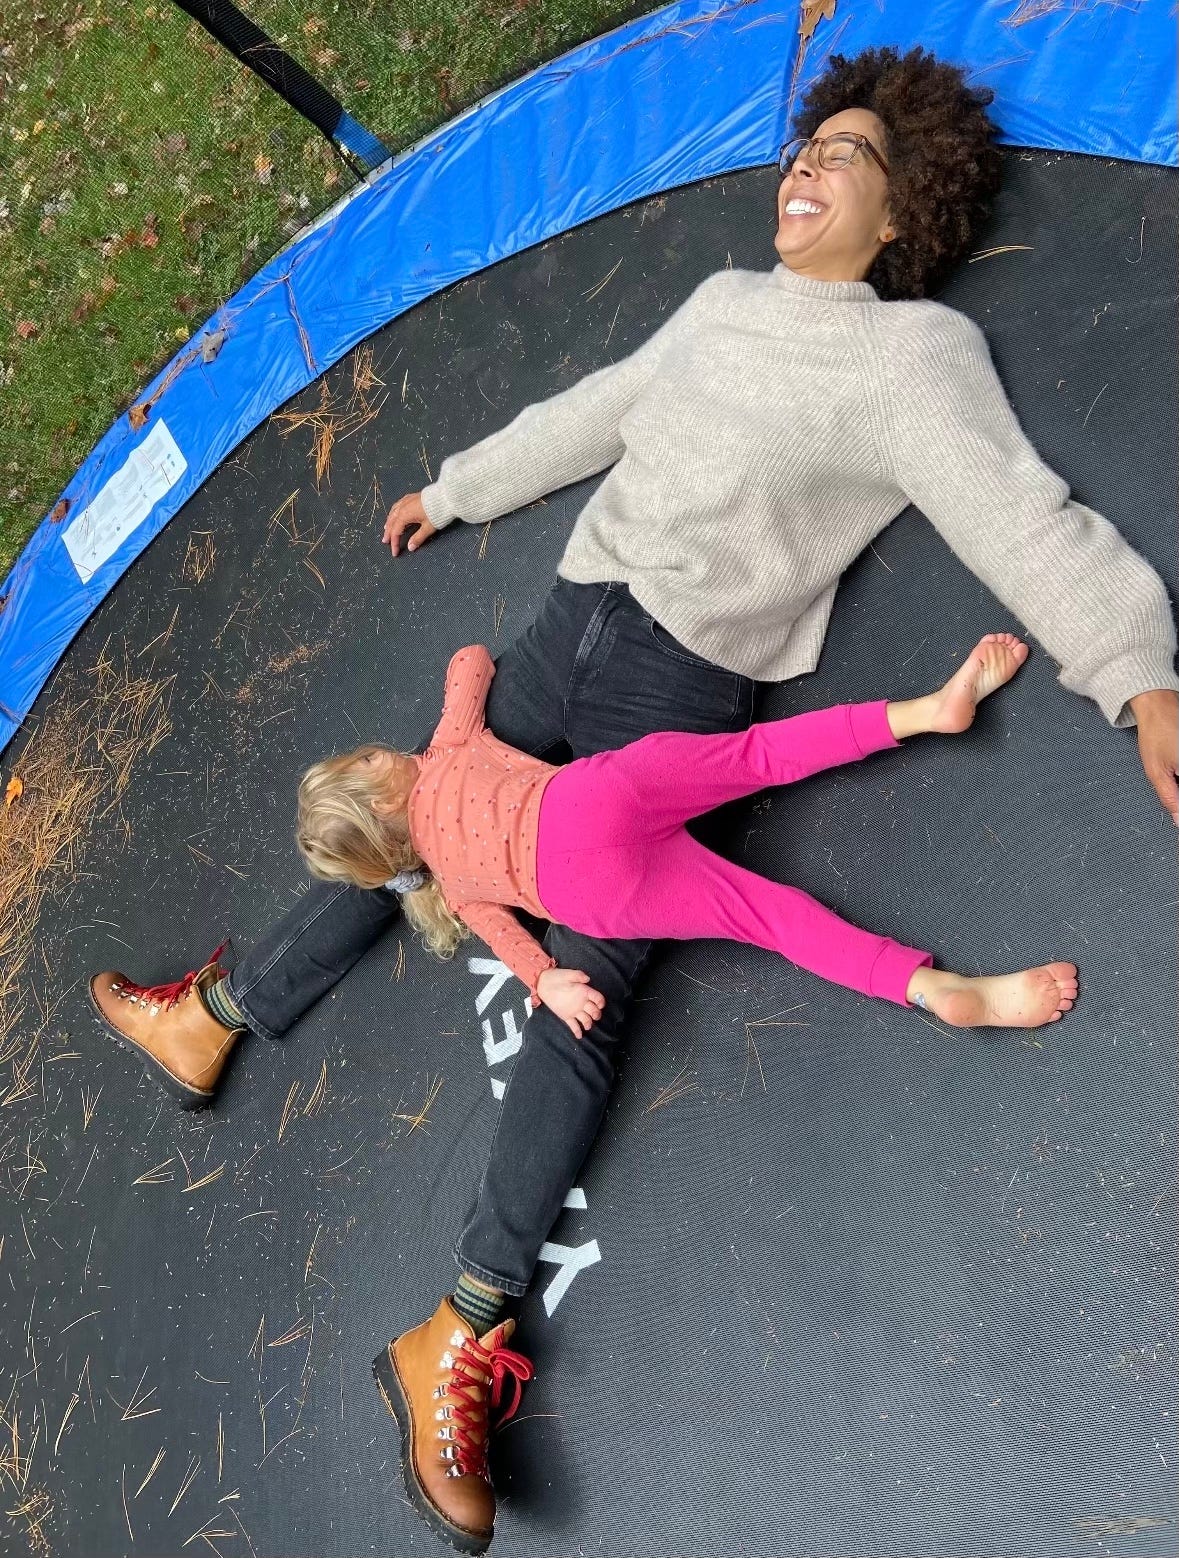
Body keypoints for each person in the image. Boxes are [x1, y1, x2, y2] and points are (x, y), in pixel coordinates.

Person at [87, 44, 1178, 1555]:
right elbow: (599, 404)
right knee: (418, 817)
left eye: (848, 154)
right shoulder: (725, 305)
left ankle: (459, 1327)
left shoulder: (909, 361)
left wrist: (1130, 669)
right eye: (805, 144)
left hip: (670, 699)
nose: (807, 166)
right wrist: (464, 483)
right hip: (560, 628)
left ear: (901, 205)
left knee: (582, 995)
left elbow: (1016, 515)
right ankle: (214, 1011)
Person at [298, 635, 1079, 1037]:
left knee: (767, 918)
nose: (383, 752)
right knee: (759, 755)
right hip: (585, 804)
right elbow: (468, 660)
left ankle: (934, 989)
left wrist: (546, 984)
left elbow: (508, 943)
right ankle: (925, 712)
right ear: (382, 785)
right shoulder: (446, 750)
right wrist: (434, 740)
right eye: (370, 759)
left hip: (585, 898)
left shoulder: (454, 887)